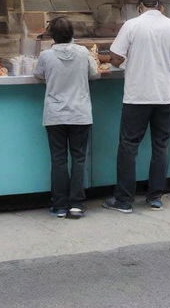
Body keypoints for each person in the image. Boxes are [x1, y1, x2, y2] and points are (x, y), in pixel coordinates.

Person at [102, 0, 170, 213]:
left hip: (137, 96)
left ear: (139, 6)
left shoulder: (131, 25)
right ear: (161, 6)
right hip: (165, 95)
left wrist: (130, 64)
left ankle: (123, 200)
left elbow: (115, 58)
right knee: (161, 146)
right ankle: (155, 197)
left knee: (129, 146)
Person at [34, 17, 99, 219]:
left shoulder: (46, 56)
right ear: (72, 34)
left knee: (58, 159)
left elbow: (38, 75)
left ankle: (60, 205)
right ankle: (77, 204)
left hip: (55, 114)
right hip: (80, 113)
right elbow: (95, 74)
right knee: (79, 158)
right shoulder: (83, 53)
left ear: (52, 35)